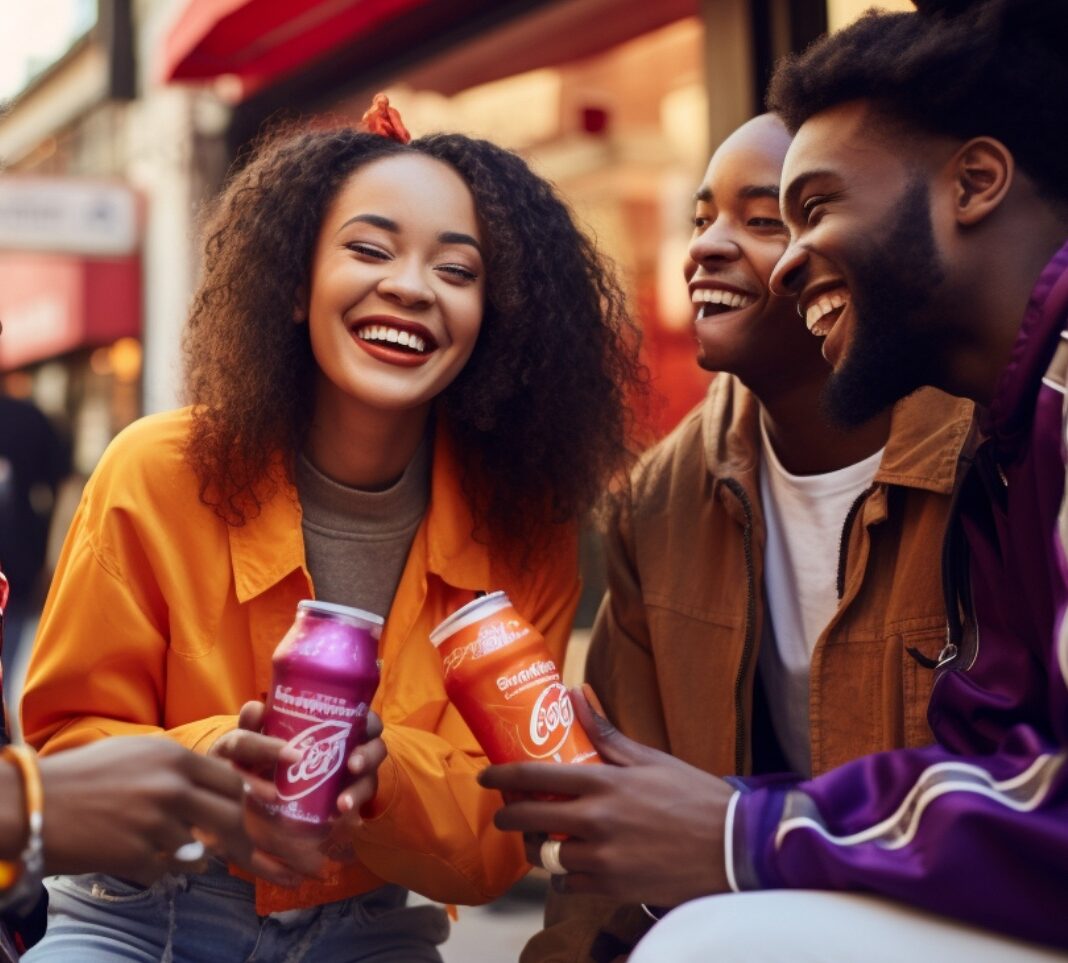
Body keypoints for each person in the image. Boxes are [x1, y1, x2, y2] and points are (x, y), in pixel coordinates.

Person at [493, 1, 1068, 959]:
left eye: (804, 211)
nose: (785, 257)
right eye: (709, 217)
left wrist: (739, 830)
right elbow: (991, 756)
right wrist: (726, 822)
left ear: (975, 181)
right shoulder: (1012, 445)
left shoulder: (1008, 421)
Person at [18, 96, 641, 962]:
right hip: (140, 915)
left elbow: (501, 835)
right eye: (369, 249)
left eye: (457, 271)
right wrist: (220, 763)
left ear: (497, 320)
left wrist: (380, 780)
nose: (412, 287)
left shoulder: (525, 529)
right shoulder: (154, 470)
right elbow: (65, 742)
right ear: (293, 281)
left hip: (371, 931)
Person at [0, 392, 68, 706]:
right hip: (20, 559)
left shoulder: (28, 418)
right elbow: (63, 488)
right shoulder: (30, 417)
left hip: (18, 563)